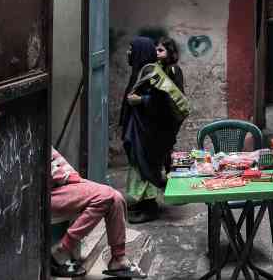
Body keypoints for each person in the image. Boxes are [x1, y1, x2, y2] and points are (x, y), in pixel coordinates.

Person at [50, 147, 147, 278]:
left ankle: (118, 259)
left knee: (116, 198)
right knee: (105, 195)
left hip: (64, 182)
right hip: (49, 192)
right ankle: (62, 249)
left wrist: (73, 180)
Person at [120, 37, 176, 223]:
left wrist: (141, 101)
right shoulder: (140, 71)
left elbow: (163, 103)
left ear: (141, 52)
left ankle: (150, 207)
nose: (128, 53)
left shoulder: (153, 74)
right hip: (140, 130)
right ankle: (143, 203)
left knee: (145, 167)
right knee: (138, 167)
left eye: (131, 49)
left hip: (148, 132)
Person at [156, 37, 185, 175]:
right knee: (165, 146)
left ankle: (170, 174)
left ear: (170, 52)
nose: (157, 52)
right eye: (156, 50)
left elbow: (176, 95)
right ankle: (169, 174)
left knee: (166, 145)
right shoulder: (162, 68)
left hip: (171, 116)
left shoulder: (173, 69)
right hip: (164, 115)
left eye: (161, 50)